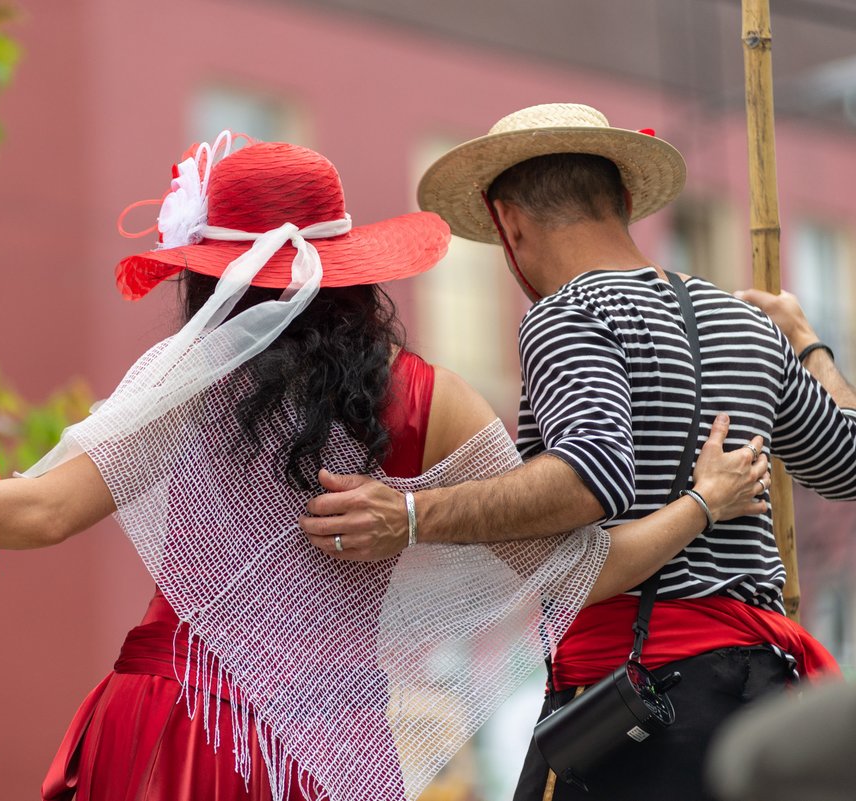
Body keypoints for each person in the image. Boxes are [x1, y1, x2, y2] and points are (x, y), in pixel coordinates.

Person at [0, 134, 768, 801]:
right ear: (350, 267)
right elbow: (571, 569)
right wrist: (700, 505)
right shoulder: (422, 400)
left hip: (169, 728)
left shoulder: (180, 385)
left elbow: (38, 514)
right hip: (326, 749)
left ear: (207, 271)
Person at [299, 103, 856, 800]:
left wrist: (409, 513)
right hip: (761, 687)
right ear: (622, 201)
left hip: (640, 700)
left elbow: (592, 475)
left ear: (509, 221)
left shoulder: (567, 313)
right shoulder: (746, 324)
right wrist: (809, 343)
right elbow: (848, 462)